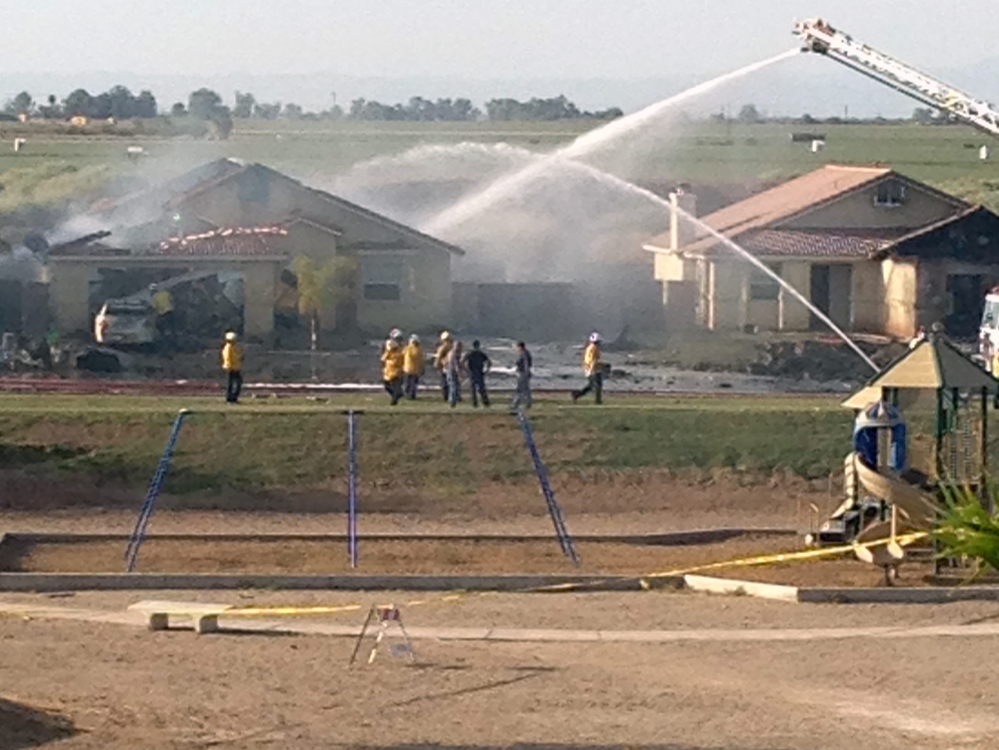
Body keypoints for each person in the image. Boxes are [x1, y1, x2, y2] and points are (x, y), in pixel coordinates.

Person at [572, 332, 604, 404]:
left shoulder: (590, 348)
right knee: (596, 385)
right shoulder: (594, 348)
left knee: (592, 386)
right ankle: (597, 400)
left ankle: (577, 394)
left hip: (591, 368)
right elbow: (593, 360)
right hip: (593, 369)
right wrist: (592, 369)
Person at [463, 340, 491, 408]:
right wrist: (486, 370)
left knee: (473, 389)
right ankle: (485, 402)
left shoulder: (470, 354)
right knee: (481, 388)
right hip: (479, 372)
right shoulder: (481, 354)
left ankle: (475, 403)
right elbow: (489, 363)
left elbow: (462, 362)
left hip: (473, 373)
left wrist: (466, 370)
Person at [509, 341, 533, 412]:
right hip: (524, 373)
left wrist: (526, 372)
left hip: (523, 374)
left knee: (520, 389)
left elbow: (526, 364)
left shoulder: (523, 354)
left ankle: (515, 405)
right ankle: (528, 402)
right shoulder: (526, 353)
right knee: (525, 389)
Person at [221, 331, 244, 404]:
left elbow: (237, 356)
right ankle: (230, 398)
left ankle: (233, 398)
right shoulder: (228, 347)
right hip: (231, 368)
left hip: (235, 367)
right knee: (231, 384)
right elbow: (227, 358)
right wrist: (229, 367)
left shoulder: (234, 347)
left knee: (235, 383)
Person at [381, 338, 404, 405]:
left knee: (395, 387)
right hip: (388, 372)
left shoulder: (398, 354)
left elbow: (396, 363)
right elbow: (383, 359)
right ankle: (396, 396)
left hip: (395, 373)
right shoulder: (388, 353)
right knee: (387, 386)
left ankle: (394, 399)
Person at [433, 330, 453, 402]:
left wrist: (436, 365)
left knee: (445, 382)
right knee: (451, 382)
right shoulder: (452, 346)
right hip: (451, 366)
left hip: (444, 367)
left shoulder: (443, 347)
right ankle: (452, 396)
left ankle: (446, 396)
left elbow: (439, 357)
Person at [402, 334, 425, 400]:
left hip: (407, 369)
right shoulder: (419, 349)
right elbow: (421, 360)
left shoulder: (407, 348)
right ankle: (412, 395)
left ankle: (408, 395)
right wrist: (422, 367)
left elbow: (402, 355)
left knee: (408, 383)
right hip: (416, 370)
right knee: (413, 384)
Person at [446, 340, 465, 408]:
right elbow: (456, 365)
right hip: (452, 372)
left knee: (454, 386)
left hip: (450, 371)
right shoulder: (454, 354)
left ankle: (454, 399)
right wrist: (460, 374)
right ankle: (452, 401)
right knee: (453, 386)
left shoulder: (451, 353)